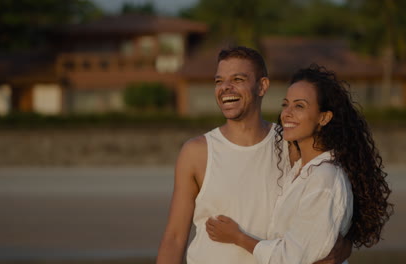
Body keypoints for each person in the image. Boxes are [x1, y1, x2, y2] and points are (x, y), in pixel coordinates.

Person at [157, 47, 352, 264]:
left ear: (262, 86)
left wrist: (344, 245)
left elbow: (335, 204)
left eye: (237, 79)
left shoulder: (292, 144)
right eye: (219, 81)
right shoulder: (196, 152)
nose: (225, 88)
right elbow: (174, 238)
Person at [205, 64, 393, 263]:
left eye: (299, 106)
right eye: (286, 104)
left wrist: (238, 237)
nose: (287, 113)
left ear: (324, 117)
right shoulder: (299, 169)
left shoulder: (325, 178)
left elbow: (290, 258)